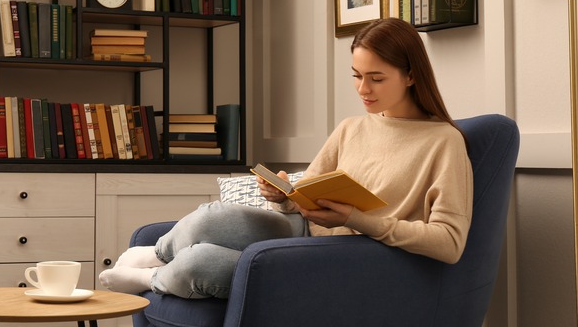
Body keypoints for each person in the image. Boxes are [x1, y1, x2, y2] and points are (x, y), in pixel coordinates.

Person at [100, 18, 473, 299]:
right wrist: (284, 194)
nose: (363, 89)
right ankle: (158, 254)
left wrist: (357, 219)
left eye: (376, 78)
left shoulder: (444, 142)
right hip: (303, 231)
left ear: (410, 75)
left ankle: (151, 279)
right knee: (211, 217)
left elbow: (449, 243)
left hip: (348, 256)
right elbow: (305, 195)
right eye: (356, 75)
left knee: (202, 263)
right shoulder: (352, 128)